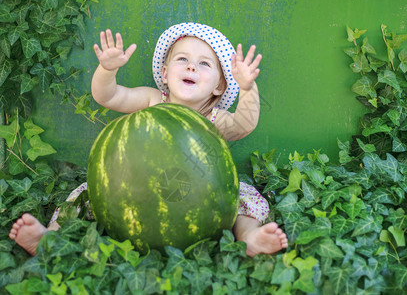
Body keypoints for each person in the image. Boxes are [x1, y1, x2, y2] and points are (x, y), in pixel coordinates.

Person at [10, 23, 288, 257]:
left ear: (219, 85)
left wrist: (248, 88)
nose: (191, 67)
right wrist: (107, 70)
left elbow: (245, 124)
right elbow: (108, 97)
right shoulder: (154, 100)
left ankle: (250, 239)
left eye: (204, 64)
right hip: (139, 185)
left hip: (203, 191)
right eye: (182, 59)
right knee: (86, 193)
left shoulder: (215, 118)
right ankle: (51, 237)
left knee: (244, 198)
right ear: (165, 73)